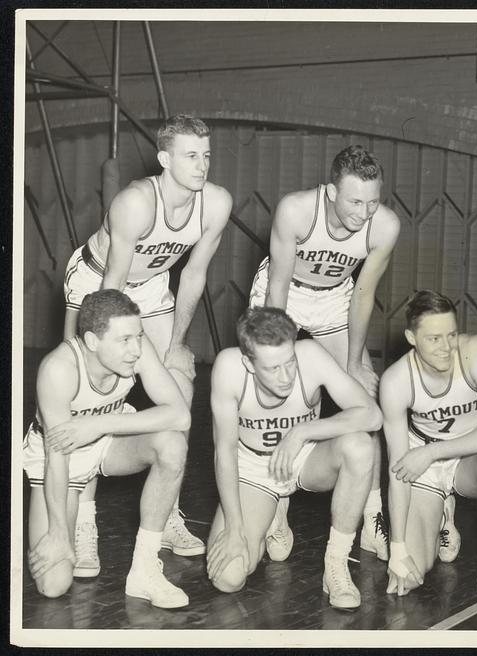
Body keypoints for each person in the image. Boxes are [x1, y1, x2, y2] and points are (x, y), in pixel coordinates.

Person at [62, 114, 233, 575]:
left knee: (181, 383)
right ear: (164, 159)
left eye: (207, 155)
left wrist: (175, 344)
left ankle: (169, 513)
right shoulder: (135, 203)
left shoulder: (215, 203)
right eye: (191, 156)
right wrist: (111, 359)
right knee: (90, 394)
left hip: (154, 288)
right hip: (98, 285)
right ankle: (83, 523)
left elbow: (193, 274)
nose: (202, 165)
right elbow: (110, 290)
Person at [249, 145, 401, 563]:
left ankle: (372, 521)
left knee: (366, 400)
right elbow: (278, 284)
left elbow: (364, 292)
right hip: (283, 294)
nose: (363, 212)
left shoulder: (383, 226)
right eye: (355, 200)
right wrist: (279, 352)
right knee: (278, 396)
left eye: (373, 201)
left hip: (335, 299)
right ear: (330, 191)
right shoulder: (296, 211)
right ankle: (277, 503)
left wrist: (354, 361)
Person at [24, 290, 192, 609]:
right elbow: (57, 459)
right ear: (91, 341)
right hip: (62, 457)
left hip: (108, 439)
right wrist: (59, 533)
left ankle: (145, 569)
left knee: (172, 443)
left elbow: (179, 414)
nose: (136, 349)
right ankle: (77, 522)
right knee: (53, 585)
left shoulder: (137, 352)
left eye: (138, 336)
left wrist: (97, 424)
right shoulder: (59, 369)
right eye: (124, 340)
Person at [205, 307, 382, 609]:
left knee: (360, 446)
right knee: (229, 577)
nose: (286, 376)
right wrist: (234, 528)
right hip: (253, 469)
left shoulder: (311, 355)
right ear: (249, 363)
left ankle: (336, 565)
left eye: (290, 363)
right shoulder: (228, 369)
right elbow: (224, 453)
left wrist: (302, 431)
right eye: (273, 369)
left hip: (305, 458)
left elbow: (372, 415)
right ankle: (272, 512)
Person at [380, 290, 477, 609]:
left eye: (451, 335)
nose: (446, 348)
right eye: (433, 339)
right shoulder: (395, 381)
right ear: (411, 338)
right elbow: (398, 472)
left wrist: (433, 452)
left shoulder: (474, 351)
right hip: (422, 466)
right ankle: (443, 514)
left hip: (465, 459)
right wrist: (397, 548)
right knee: (410, 575)